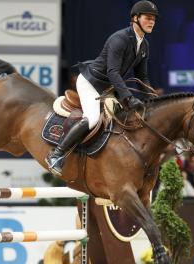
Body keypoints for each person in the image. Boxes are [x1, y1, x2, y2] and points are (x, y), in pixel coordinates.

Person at [46, 0, 159, 176]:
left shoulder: (144, 45)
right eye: (148, 18)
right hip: (91, 82)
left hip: (108, 87)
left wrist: (152, 98)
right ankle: (56, 154)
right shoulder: (119, 39)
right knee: (92, 118)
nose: (152, 22)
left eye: (154, 19)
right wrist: (128, 97)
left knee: (123, 119)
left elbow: (142, 77)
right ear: (135, 18)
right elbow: (113, 72)